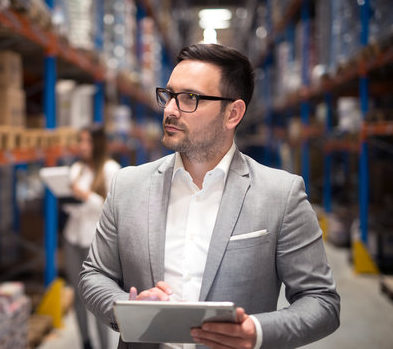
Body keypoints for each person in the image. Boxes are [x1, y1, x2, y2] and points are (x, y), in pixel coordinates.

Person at [78, 43, 340, 349]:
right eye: (169, 95)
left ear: (233, 113)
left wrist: (255, 331)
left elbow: (322, 302)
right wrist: (127, 307)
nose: (170, 110)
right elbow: (94, 275)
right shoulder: (128, 185)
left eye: (190, 98)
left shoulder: (280, 195)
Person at [62, 124, 121, 349]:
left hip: (96, 242)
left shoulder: (110, 169)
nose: (82, 146)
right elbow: (70, 208)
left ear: (97, 143)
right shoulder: (76, 169)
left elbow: (112, 208)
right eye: (80, 141)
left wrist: (85, 196)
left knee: (97, 297)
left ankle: (105, 345)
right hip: (72, 237)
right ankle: (85, 342)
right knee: (77, 295)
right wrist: (68, 198)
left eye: (87, 141)